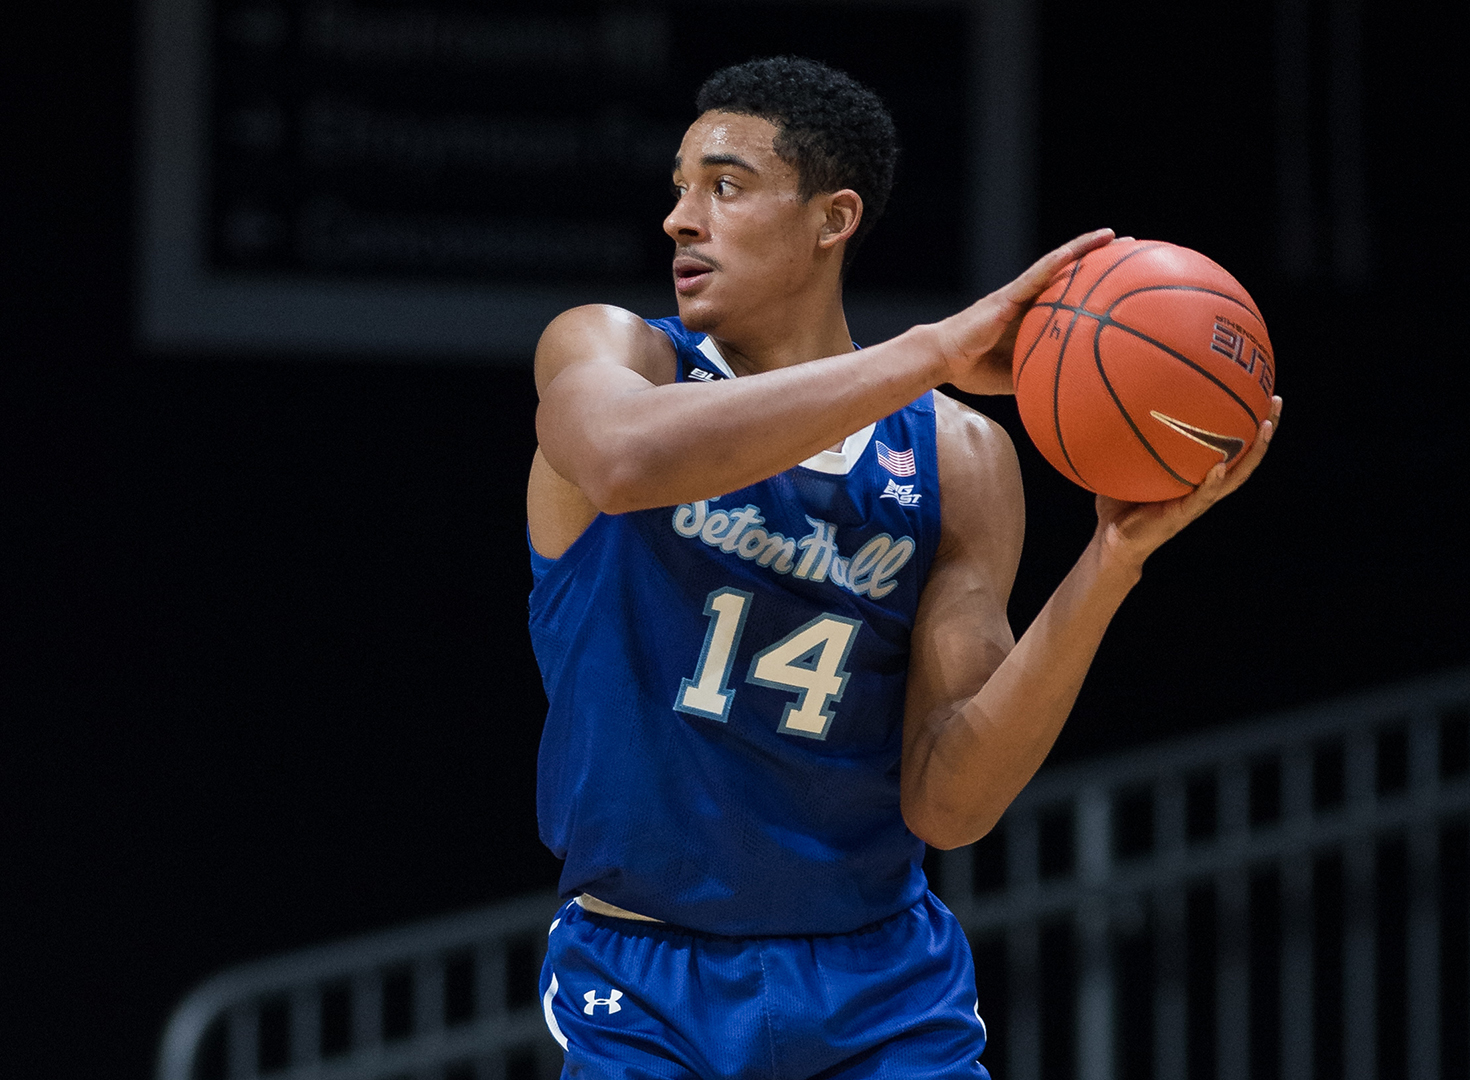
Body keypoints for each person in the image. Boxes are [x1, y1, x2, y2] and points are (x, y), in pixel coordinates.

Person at [526, 56, 1279, 1079]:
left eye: (726, 185)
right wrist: (928, 351)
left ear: (832, 219)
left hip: (879, 983)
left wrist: (1110, 563)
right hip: (647, 978)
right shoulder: (616, 354)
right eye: (679, 187)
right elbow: (622, 460)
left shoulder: (960, 461)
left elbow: (950, 804)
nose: (681, 218)